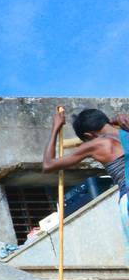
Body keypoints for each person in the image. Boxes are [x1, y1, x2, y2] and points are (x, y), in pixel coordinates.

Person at [41, 106, 129, 256]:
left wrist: (55, 127)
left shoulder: (97, 144)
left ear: (89, 135)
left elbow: (48, 165)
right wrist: (115, 119)